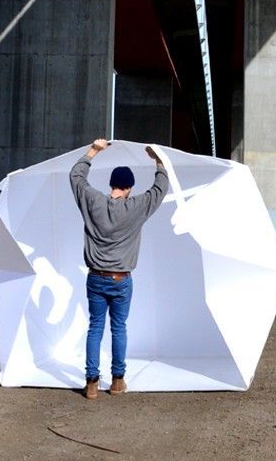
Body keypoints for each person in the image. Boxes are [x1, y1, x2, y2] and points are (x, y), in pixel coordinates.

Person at [69, 138, 169, 399]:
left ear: (111, 184)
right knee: (119, 328)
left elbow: (76, 175)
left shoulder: (92, 201)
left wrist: (94, 151)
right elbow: (160, 188)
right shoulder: (137, 206)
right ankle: (117, 381)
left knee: (95, 328)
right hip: (121, 279)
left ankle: (91, 383)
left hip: (95, 278)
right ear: (129, 187)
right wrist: (157, 160)